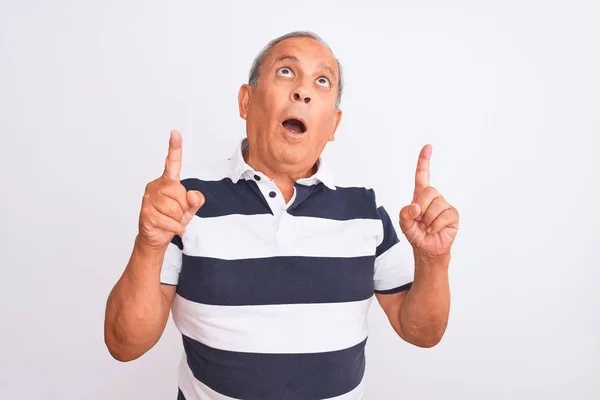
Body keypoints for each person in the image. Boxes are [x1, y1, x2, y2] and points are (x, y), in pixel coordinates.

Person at [104, 31, 459, 400]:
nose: (303, 91)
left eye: (322, 81)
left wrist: (433, 260)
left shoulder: (364, 212)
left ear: (334, 124)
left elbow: (420, 332)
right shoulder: (184, 204)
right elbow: (124, 344)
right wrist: (149, 244)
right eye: (287, 72)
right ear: (246, 100)